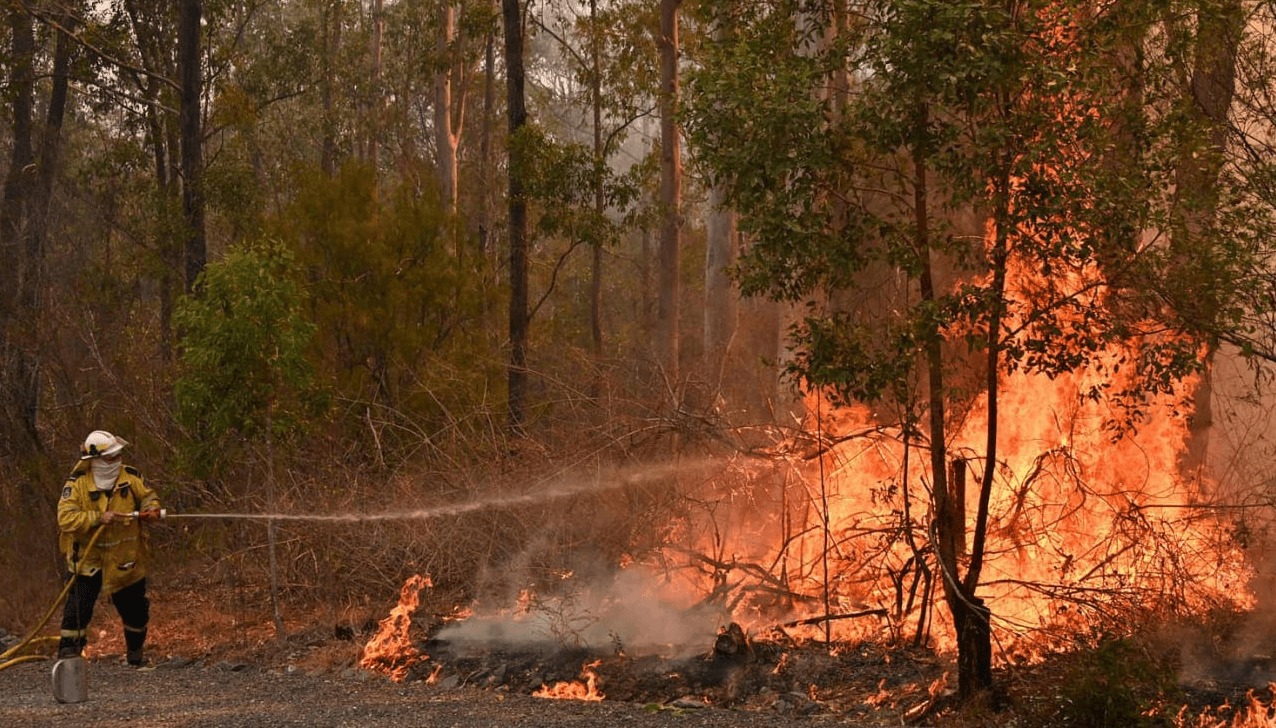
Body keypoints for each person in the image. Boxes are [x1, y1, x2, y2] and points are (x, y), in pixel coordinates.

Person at [56, 430, 163, 666]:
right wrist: (96, 518)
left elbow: (148, 497)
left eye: (118, 456)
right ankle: (69, 660)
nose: (117, 461)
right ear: (95, 460)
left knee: (135, 610)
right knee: (77, 611)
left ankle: (135, 655)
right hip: (86, 562)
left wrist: (152, 509)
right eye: (111, 458)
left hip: (124, 561)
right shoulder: (77, 485)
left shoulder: (131, 477)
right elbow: (66, 519)